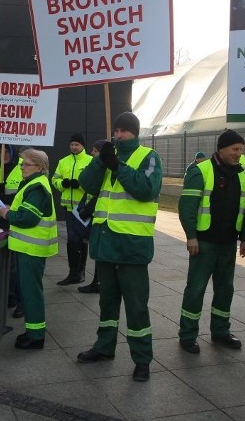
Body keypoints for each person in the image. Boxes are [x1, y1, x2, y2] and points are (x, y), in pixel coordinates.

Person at [76, 112, 162, 382]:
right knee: (107, 303)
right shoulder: (107, 155)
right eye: (117, 130)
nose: (119, 135)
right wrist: (102, 161)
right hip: (105, 243)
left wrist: (117, 166)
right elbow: (86, 184)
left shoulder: (149, 157)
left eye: (125, 131)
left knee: (136, 306)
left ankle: (142, 359)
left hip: (131, 245)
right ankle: (104, 348)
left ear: (135, 133)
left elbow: (146, 188)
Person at [178, 129, 245, 354]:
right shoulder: (200, 171)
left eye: (241, 150)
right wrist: (191, 236)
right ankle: (188, 335)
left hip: (228, 244)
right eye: (235, 149)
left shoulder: (242, 174)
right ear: (221, 148)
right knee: (196, 290)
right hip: (204, 244)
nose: (238, 154)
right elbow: (186, 207)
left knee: (225, 290)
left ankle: (221, 332)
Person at [0, 149, 58, 350]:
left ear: (40, 167)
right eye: (22, 163)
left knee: (31, 293)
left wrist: (7, 214)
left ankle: (36, 336)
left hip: (31, 250)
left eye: (26, 164)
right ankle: (33, 332)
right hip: (28, 248)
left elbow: (27, 218)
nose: (22, 167)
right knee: (29, 292)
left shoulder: (37, 187)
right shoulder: (34, 184)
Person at [51, 133, 93, 286]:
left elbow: (95, 183)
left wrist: (80, 185)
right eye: (72, 144)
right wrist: (64, 184)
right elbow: (54, 179)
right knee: (72, 241)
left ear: (83, 146)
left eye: (77, 144)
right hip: (69, 209)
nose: (74, 147)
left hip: (83, 209)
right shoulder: (63, 162)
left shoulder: (90, 161)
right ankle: (73, 272)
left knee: (82, 240)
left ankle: (80, 272)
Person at [76, 139, 107, 294]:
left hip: (100, 217)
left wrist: (88, 209)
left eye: (95, 151)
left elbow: (102, 193)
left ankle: (98, 282)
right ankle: (97, 281)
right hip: (94, 215)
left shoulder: (105, 169)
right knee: (96, 251)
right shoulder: (96, 167)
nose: (92, 153)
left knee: (100, 252)